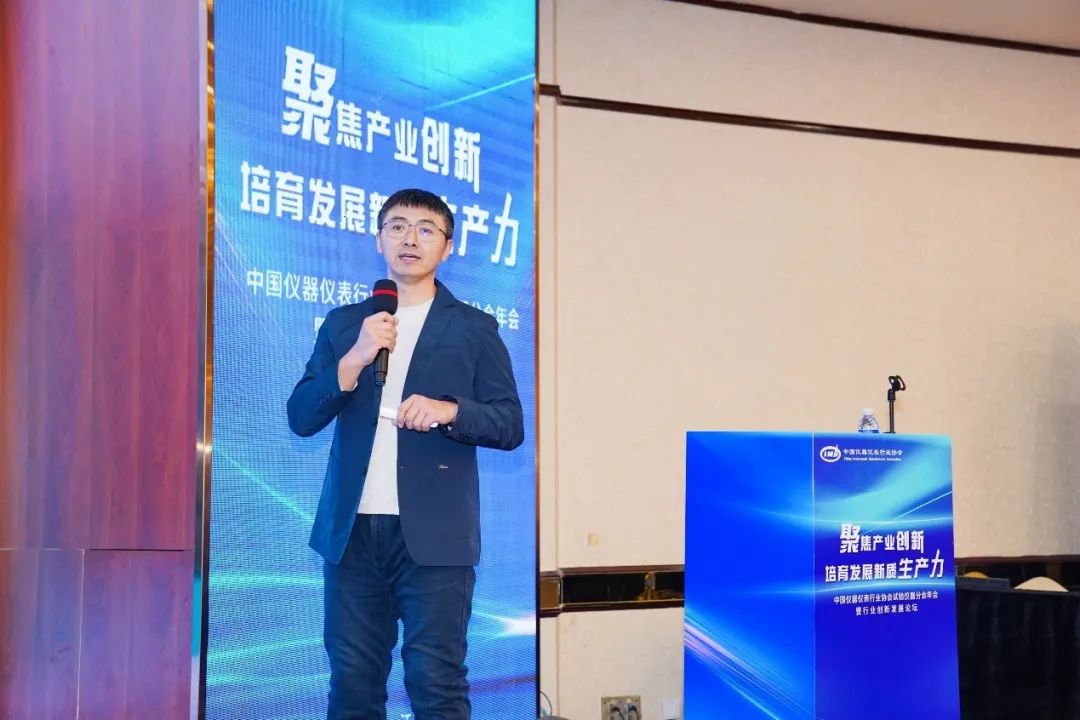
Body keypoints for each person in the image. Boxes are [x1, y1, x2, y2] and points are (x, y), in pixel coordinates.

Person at [287, 188, 524, 719]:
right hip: (350, 536)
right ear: (379, 240)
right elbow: (301, 416)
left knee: (434, 681)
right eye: (396, 226)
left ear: (447, 247)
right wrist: (354, 358)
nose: (409, 238)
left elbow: (509, 424)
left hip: (436, 539)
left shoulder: (474, 328)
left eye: (425, 229)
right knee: (352, 682)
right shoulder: (347, 324)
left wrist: (449, 411)